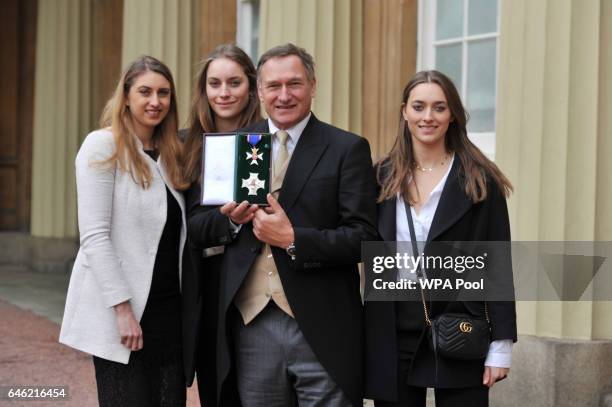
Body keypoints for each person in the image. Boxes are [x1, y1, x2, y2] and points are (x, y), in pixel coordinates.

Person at [188, 43, 378, 407]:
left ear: (313, 85)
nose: (284, 95)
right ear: (259, 91)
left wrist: (294, 240)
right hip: (251, 323)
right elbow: (197, 227)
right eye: (273, 86)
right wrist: (228, 221)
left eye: (295, 84)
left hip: (323, 326)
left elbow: (365, 238)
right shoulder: (237, 146)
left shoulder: (346, 148)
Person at [364, 70, 517, 407]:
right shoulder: (379, 176)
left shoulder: (480, 179)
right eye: (419, 107)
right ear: (405, 111)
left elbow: (498, 263)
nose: (427, 117)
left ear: (453, 116)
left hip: (461, 326)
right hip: (393, 328)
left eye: (439, 108)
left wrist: (501, 343)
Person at [59, 55, 189, 406]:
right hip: (125, 313)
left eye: (164, 93)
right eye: (145, 91)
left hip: (167, 311)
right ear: (126, 96)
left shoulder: (171, 153)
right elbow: (95, 237)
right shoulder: (103, 146)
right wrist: (123, 310)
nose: (155, 101)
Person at [181, 43, 260, 406]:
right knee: (217, 388)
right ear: (204, 89)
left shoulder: (270, 138)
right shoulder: (185, 145)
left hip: (259, 279)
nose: (224, 93)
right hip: (208, 282)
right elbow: (189, 223)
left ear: (251, 86)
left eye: (234, 82)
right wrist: (225, 222)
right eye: (215, 84)